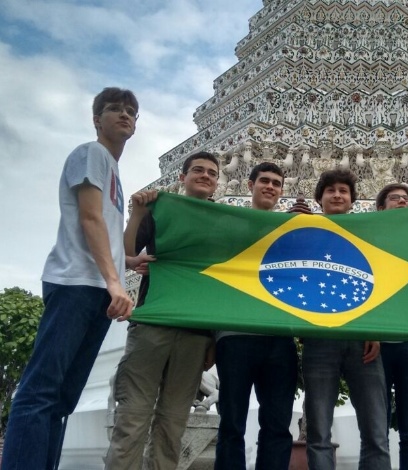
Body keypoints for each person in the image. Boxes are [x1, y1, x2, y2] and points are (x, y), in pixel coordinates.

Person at [1, 87, 141, 470]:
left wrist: (128, 262)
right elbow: (89, 219)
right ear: (97, 119)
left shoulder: (112, 169)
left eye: (131, 112)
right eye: (115, 109)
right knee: (41, 390)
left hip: (98, 289)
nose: (125, 115)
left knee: (63, 398)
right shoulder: (91, 154)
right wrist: (116, 283)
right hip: (76, 283)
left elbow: (104, 233)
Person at [105, 152, 219, 469]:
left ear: (217, 183)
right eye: (198, 170)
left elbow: (222, 283)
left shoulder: (222, 222)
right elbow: (127, 253)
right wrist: (137, 214)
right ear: (182, 177)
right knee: (132, 418)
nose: (205, 175)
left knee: (173, 423)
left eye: (212, 173)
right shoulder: (160, 211)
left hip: (195, 332)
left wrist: (213, 338)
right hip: (153, 322)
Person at [302, 169, 391, 470]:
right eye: (331, 191)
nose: (337, 195)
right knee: (318, 433)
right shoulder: (304, 235)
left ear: (352, 200)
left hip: (363, 339)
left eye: (343, 191)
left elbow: (383, 282)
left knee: (377, 433)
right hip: (319, 339)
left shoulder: (367, 235)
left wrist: (375, 329)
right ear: (320, 199)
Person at [214, 162, 298, 470]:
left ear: (281, 190)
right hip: (235, 336)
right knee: (231, 422)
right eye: (264, 181)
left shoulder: (290, 232)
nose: (270, 187)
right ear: (250, 185)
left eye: (277, 183)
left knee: (277, 425)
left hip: (279, 337)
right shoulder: (228, 226)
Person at [375, 183, 408, 470]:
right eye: (395, 199)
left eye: (406, 199)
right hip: (378, 345)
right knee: (376, 428)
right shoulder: (368, 242)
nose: (402, 203)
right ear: (381, 208)